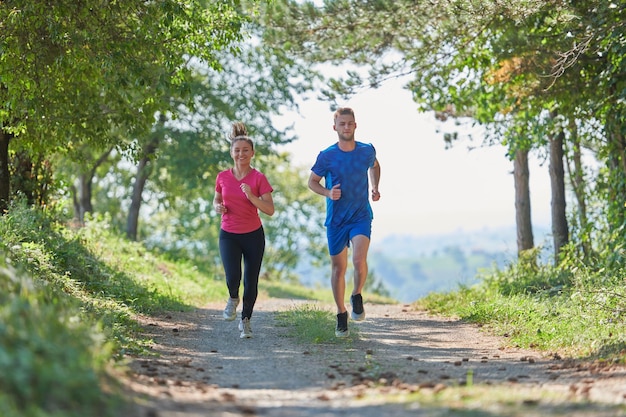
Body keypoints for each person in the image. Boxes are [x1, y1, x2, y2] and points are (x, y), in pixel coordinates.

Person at [308, 107, 381, 337]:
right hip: (336, 220)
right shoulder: (326, 155)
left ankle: (357, 294)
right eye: (342, 124)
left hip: (360, 215)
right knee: (339, 268)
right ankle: (341, 313)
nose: (346, 127)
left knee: (359, 260)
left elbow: (375, 166)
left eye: (350, 123)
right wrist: (328, 193)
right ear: (335, 127)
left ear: (355, 125)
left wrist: (375, 187)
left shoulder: (366, 150)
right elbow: (312, 182)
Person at [213, 122, 275, 339]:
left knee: (251, 280)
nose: (241, 154)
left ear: (252, 153)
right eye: (237, 150)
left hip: (253, 235)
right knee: (233, 276)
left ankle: (246, 321)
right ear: (231, 153)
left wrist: (251, 196)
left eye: (245, 150)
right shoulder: (222, 177)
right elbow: (217, 199)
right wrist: (217, 207)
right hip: (228, 233)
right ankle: (232, 298)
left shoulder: (258, 178)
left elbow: (269, 209)